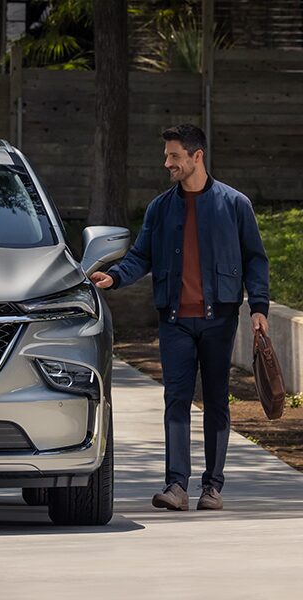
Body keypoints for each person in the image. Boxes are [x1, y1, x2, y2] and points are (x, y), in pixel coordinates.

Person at [91, 124, 269, 511]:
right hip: (174, 320)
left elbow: (256, 258)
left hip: (219, 319)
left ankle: (213, 487)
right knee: (176, 399)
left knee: (218, 401)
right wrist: (116, 276)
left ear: (196, 157)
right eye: (167, 155)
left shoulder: (235, 204)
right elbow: (141, 255)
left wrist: (259, 307)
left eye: (174, 156)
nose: (166, 162)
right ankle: (176, 486)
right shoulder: (160, 207)